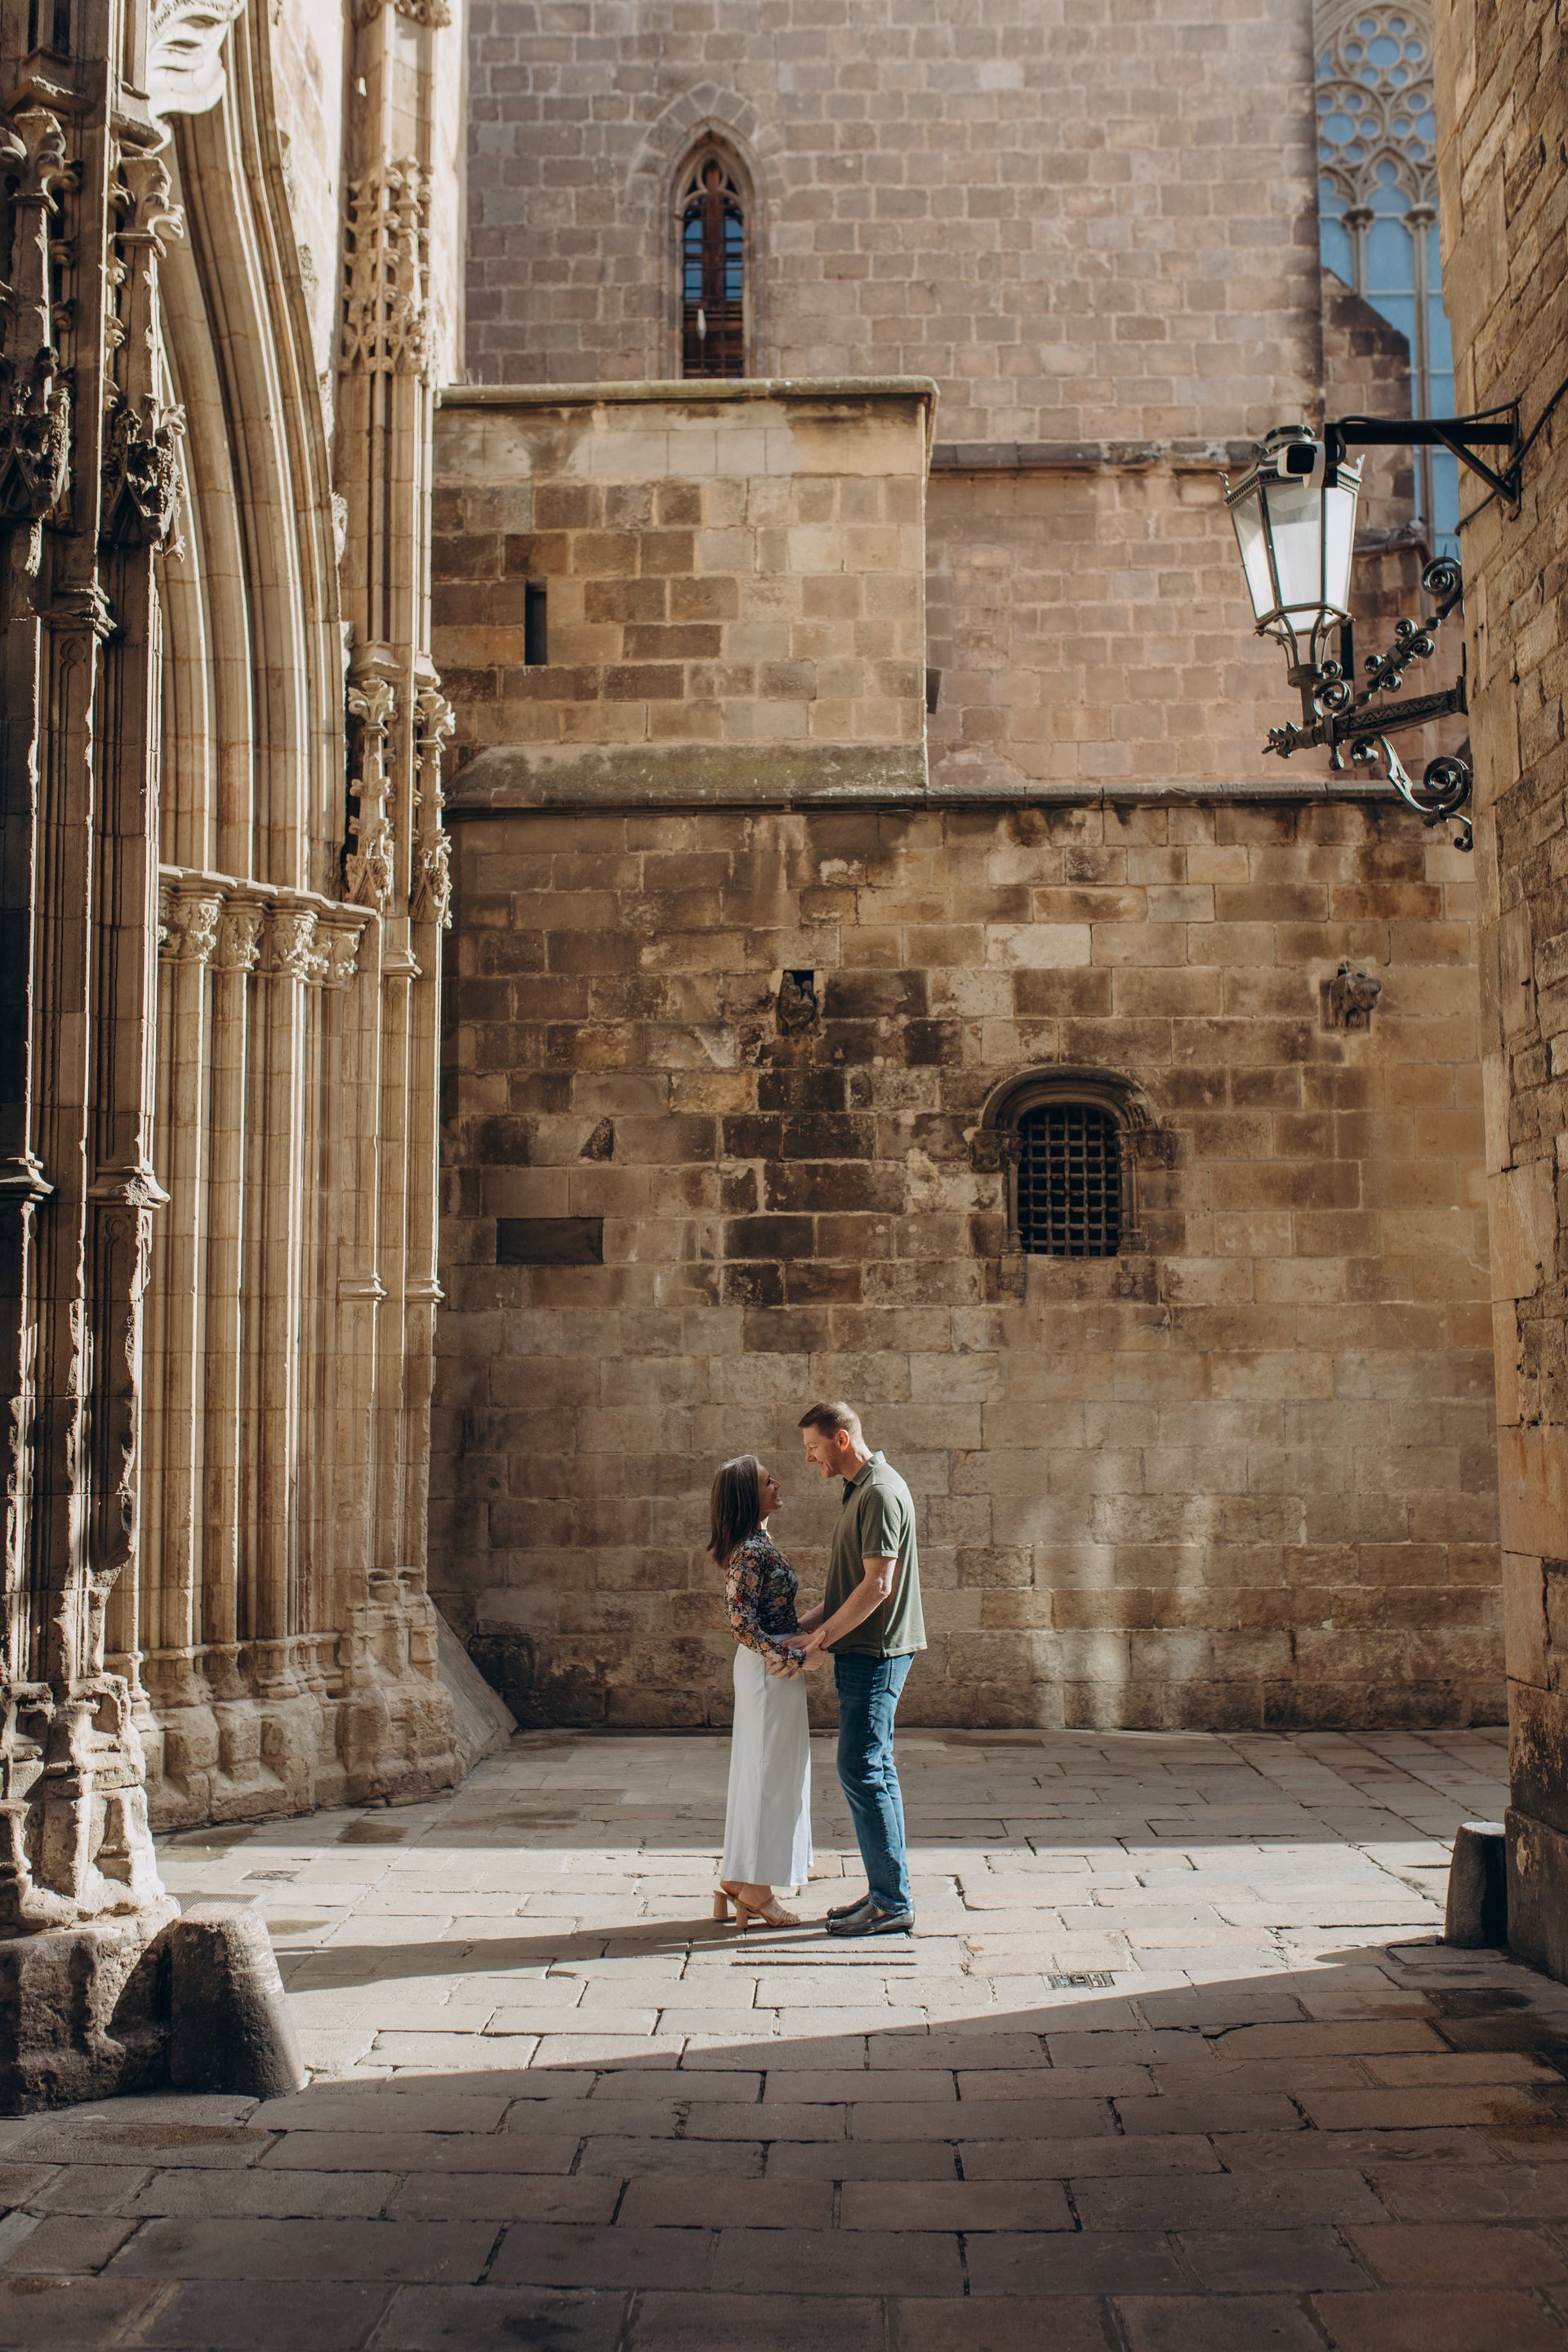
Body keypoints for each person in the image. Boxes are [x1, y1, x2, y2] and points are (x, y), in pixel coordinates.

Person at [796, 1401, 924, 1936]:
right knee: (873, 1768)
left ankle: (892, 1903)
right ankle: (886, 1891)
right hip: (863, 1650)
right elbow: (850, 1586)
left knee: (861, 1768)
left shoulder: (879, 1493)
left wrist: (820, 1641)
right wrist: (803, 1629)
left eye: (814, 1447)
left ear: (841, 1440)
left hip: (877, 1652)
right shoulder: (859, 1490)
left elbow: (877, 1586)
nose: (809, 1458)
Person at [708, 1453, 826, 1930]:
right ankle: (756, 1890)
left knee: (765, 1769)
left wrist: (806, 1636)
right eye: (766, 1481)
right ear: (746, 1496)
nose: (777, 1484)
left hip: (769, 1665)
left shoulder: (759, 1542)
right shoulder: (751, 1550)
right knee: (770, 1773)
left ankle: (739, 1877)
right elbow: (741, 1623)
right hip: (768, 1670)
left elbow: (772, 1618)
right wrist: (792, 1657)